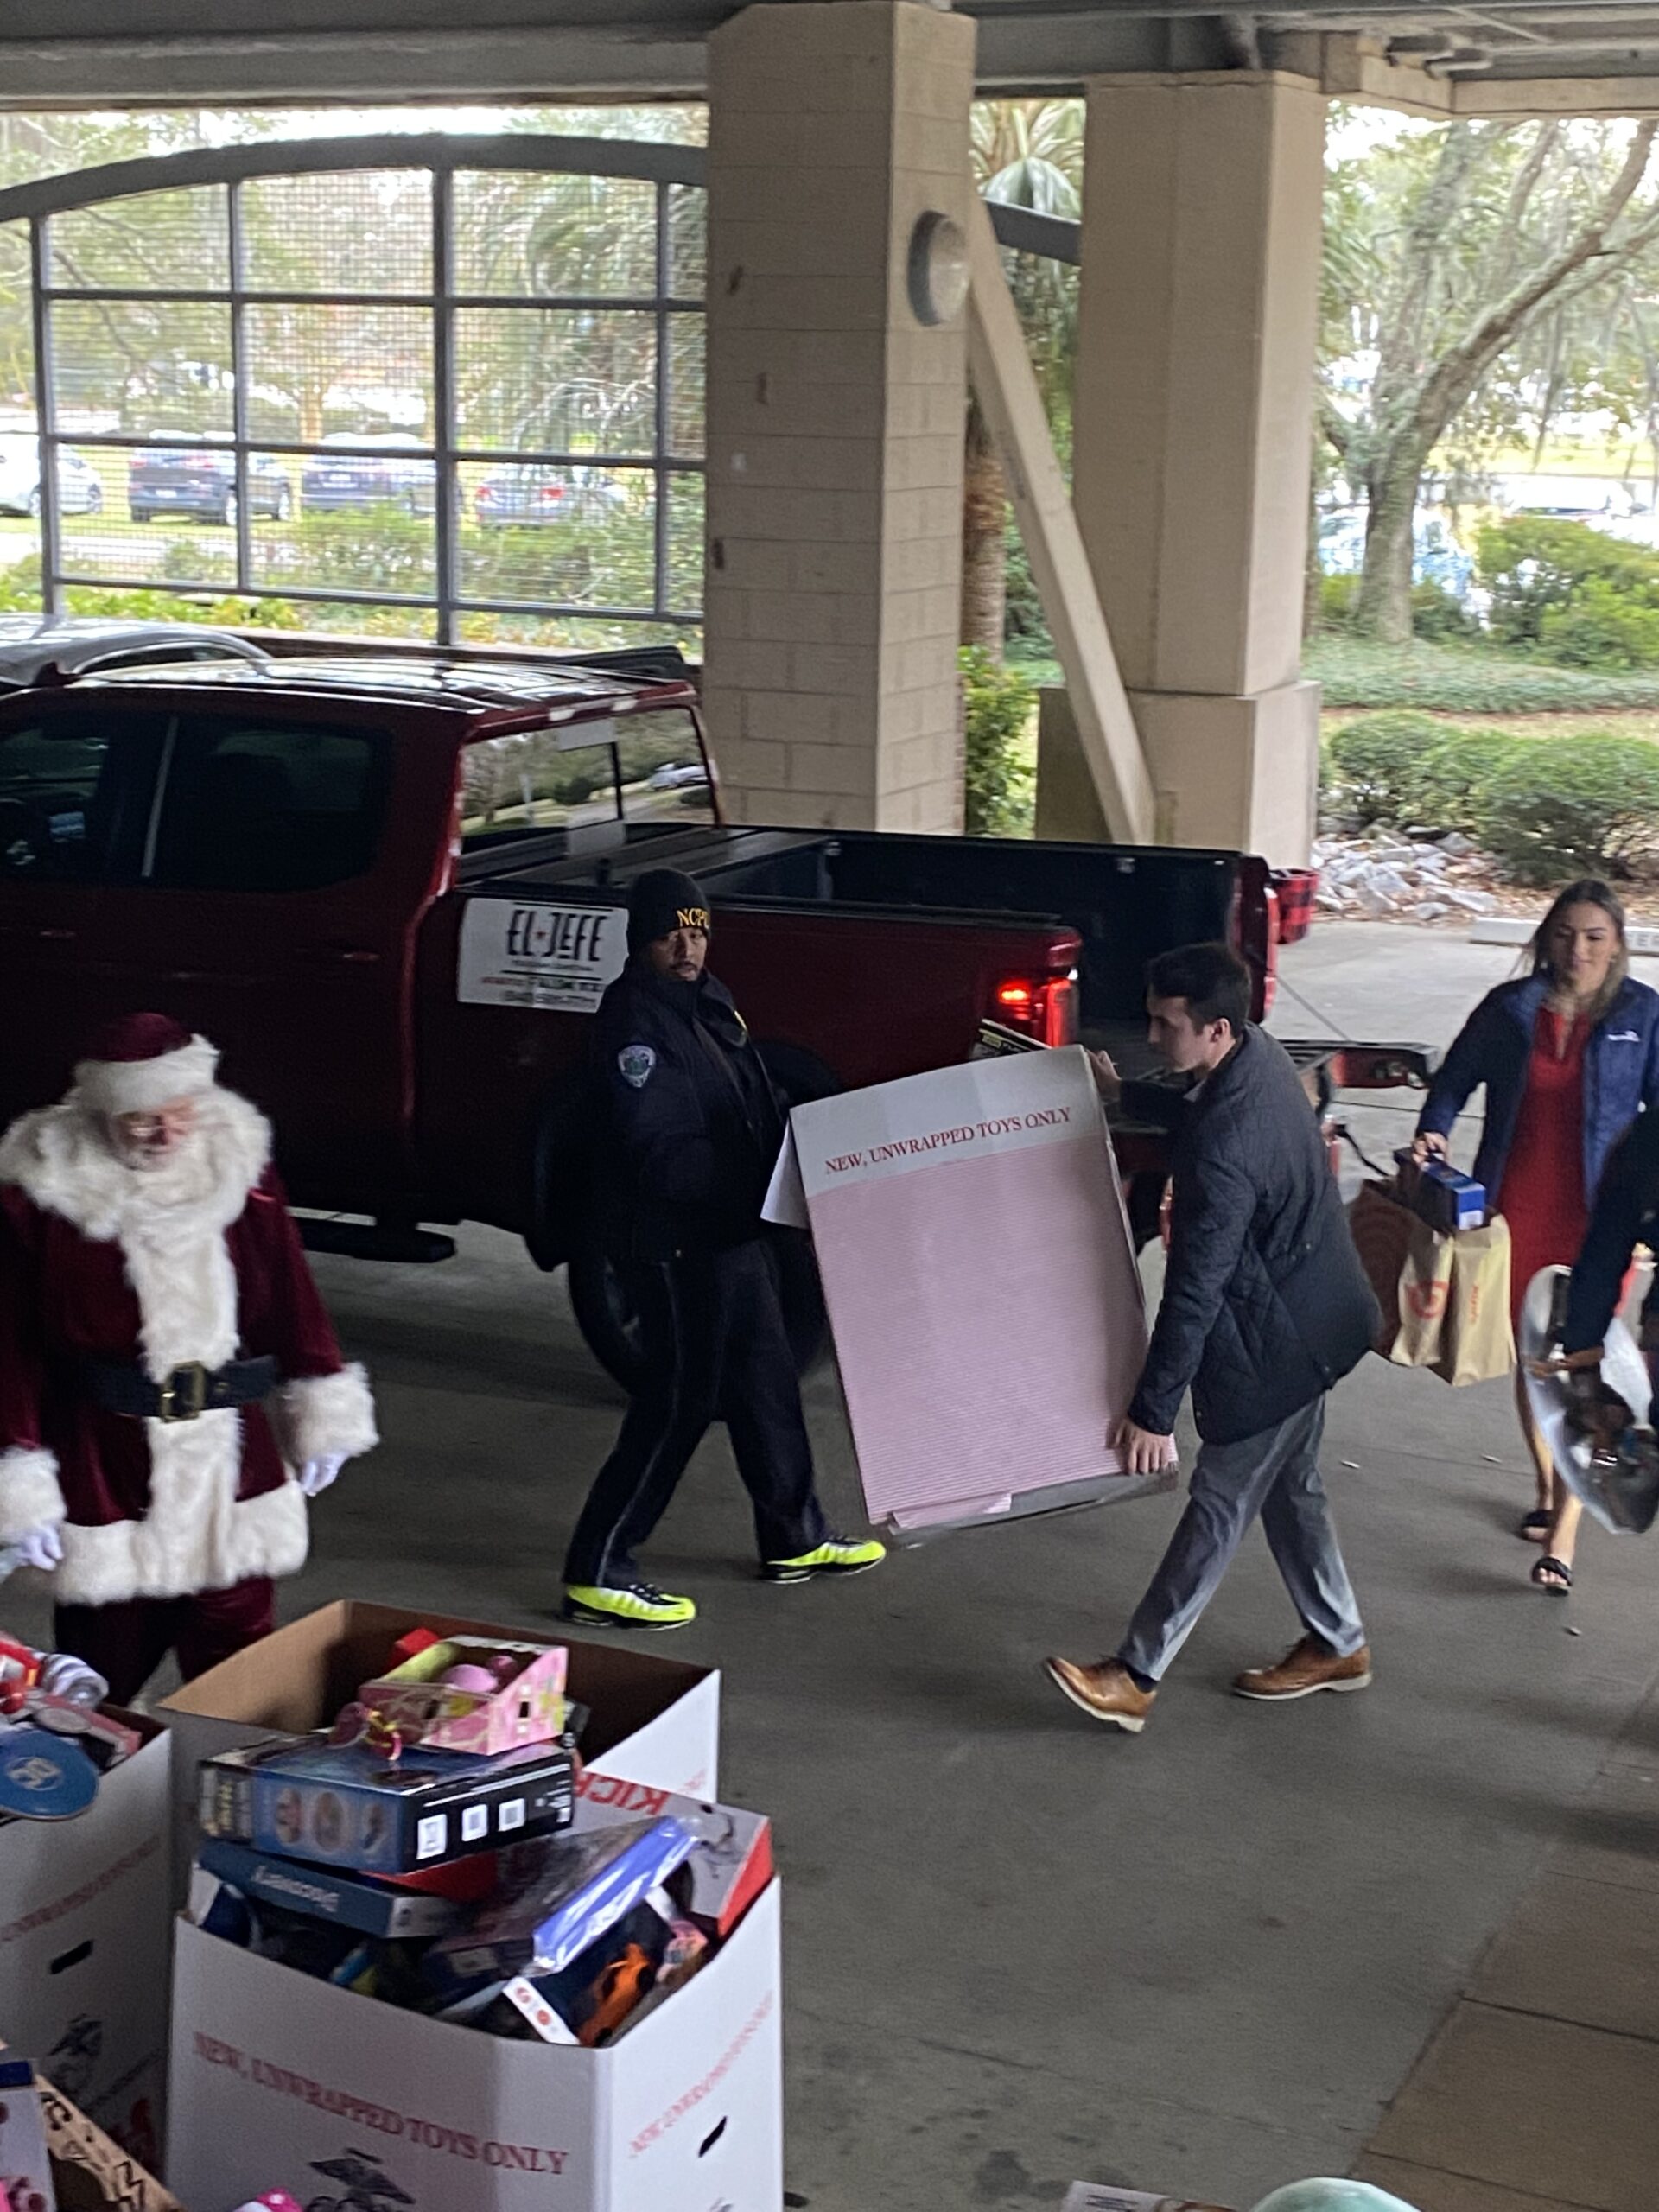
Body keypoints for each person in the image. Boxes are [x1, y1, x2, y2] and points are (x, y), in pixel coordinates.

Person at [1045, 942, 1378, 1733]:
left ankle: (1136, 1673)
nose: (1154, 1036)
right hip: (1323, 1314)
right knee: (1291, 1490)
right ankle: (1339, 1640)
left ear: (1217, 1028)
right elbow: (1198, 1114)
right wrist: (1125, 1094)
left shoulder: (1229, 1151)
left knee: (1221, 1499)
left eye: (1167, 1024)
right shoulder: (1258, 1059)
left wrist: (1154, 1412)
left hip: (1283, 1342)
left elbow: (1196, 1289)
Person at [0, 1012, 377, 1702]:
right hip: (103, 1453)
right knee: (100, 1672)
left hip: (229, 1451)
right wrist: (16, 1473)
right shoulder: (41, 1188)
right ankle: (98, 1793)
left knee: (243, 1666)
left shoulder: (236, 1161)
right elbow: (9, 1342)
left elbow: (289, 1282)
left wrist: (319, 1388)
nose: (167, 1134)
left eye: (180, 1114)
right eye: (143, 1120)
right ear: (102, 1111)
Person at [562, 868, 885, 1630]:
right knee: (678, 1400)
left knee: (766, 1375)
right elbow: (661, 1151)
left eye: (698, 929)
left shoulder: (710, 1007)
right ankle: (600, 1565)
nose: (688, 944)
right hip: (671, 1243)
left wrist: (810, 1163)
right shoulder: (635, 1027)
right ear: (642, 939)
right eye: (672, 931)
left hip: (732, 1233)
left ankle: (793, 1536)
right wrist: (757, 1181)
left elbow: (756, 1104)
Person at [1413, 879, 1659, 1593]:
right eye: (1564, 935)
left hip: (1598, 1215)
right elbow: (1453, 1081)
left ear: (1616, 944)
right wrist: (1434, 1129)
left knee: (1582, 1357)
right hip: (1514, 1205)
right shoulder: (1510, 1010)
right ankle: (1552, 1483)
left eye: (1593, 937)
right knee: (1533, 1360)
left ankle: (1565, 1529)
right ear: (1546, 939)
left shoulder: (1643, 1014)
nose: (1577, 950)